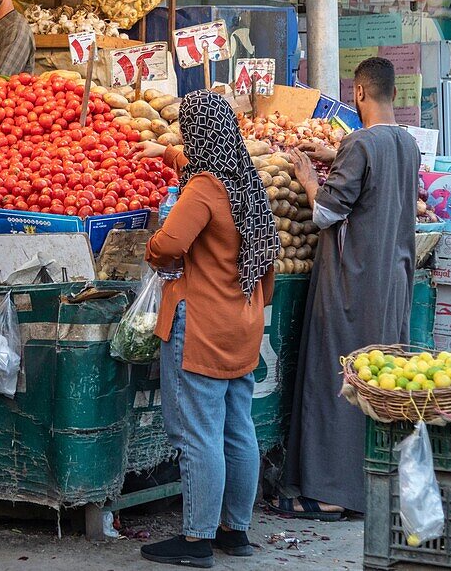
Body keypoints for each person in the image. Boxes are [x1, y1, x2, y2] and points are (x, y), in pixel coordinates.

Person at [133, 90, 280, 568]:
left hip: (202, 324)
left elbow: (171, 243)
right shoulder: (246, 180)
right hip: (243, 321)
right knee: (238, 430)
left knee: (197, 433)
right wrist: (169, 155)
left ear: (197, 133)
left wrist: (152, 245)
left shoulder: (204, 188)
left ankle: (196, 539)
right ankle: (234, 530)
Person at [279, 57, 419, 518]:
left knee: (337, 382)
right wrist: (334, 160)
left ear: (359, 93)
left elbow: (327, 213)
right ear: (392, 93)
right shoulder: (406, 142)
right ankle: (369, 487)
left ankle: (330, 495)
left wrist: (305, 177)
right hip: (391, 282)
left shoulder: (359, 142)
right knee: (379, 386)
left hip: (350, 285)